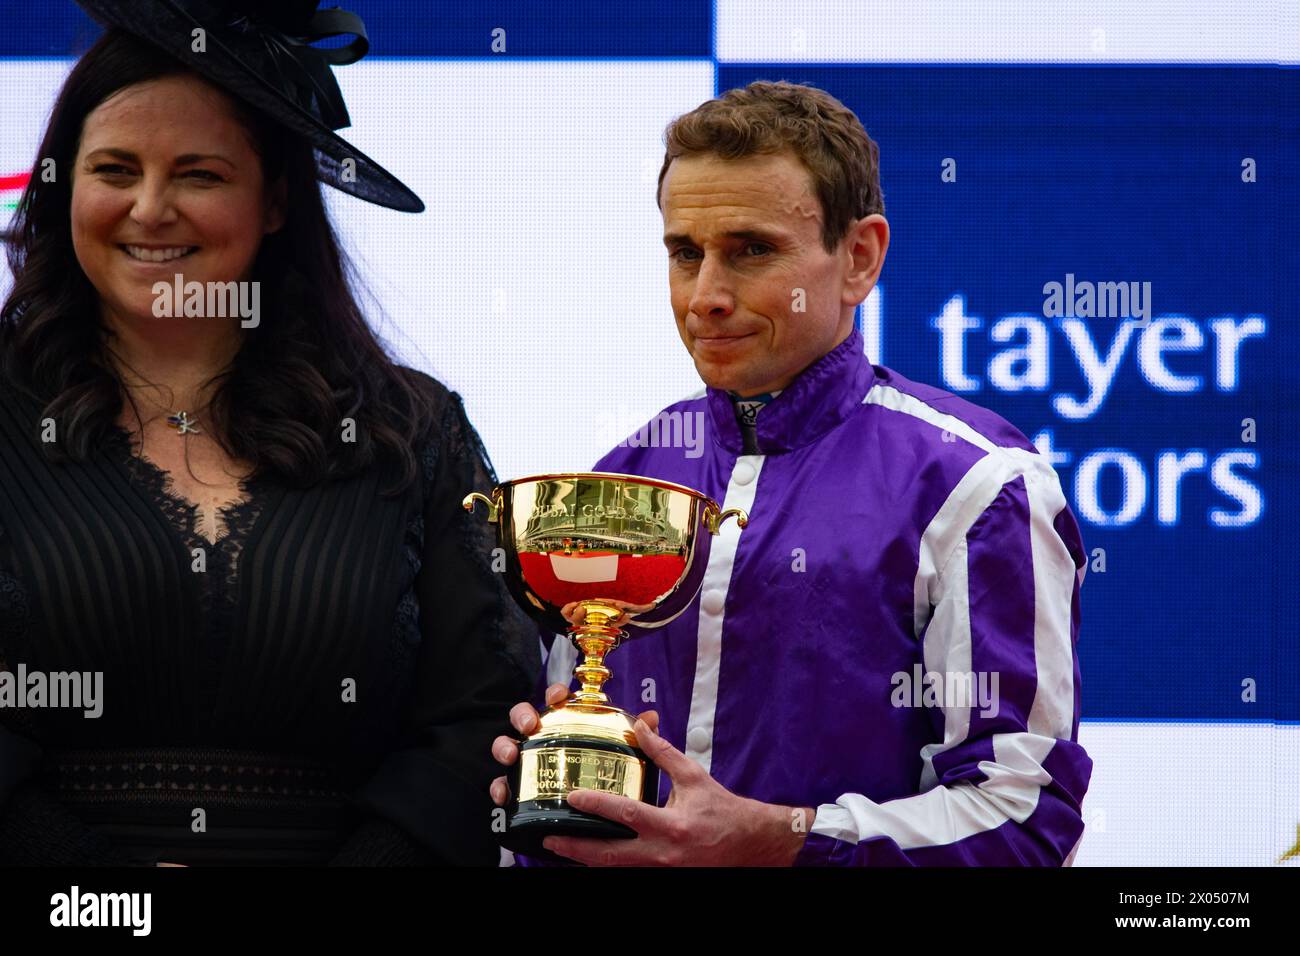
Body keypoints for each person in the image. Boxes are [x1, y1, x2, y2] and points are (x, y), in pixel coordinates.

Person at [491, 80, 1092, 866]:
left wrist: (784, 842)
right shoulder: (627, 474)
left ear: (860, 258)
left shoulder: (976, 485)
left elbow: (1022, 818)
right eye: (684, 253)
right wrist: (548, 805)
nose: (705, 296)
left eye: (751, 250)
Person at [0, 1, 538, 865]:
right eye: (113, 168)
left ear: (277, 199)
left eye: (199, 175)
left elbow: (479, 722)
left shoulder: (413, 431)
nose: (149, 208)